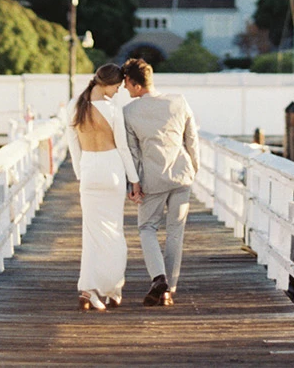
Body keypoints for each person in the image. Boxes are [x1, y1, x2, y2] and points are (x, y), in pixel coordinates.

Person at [121, 57, 199, 307]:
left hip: (152, 180)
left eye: (126, 83)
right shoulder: (179, 101)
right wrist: (193, 170)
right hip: (181, 176)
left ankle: (158, 278)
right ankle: (169, 290)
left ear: (135, 85)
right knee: (176, 231)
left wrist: (131, 184)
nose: (123, 88)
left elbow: (132, 152)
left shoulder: (129, 112)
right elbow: (192, 140)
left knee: (147, 228)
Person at [63, 63, 139, 311]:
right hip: (112, 171)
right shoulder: (112, 109)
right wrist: (134, 179)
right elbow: (124, 149)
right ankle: (113, 289)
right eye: (117, 86)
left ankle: (88, 290)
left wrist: (80, 175)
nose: (118, 91)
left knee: (92, 235)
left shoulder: (74, 106)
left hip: (89, 171)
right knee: (114, 233)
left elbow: (74, 148)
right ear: (106, 84)